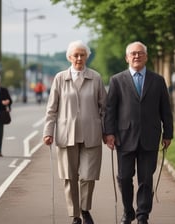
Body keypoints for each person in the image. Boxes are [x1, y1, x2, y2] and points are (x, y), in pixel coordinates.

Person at [104, 41, 173, 224]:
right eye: (133, 53)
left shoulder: (158, 80)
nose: (136, 56)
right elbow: (110, 109)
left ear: (146, 57)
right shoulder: (117, 80)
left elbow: (166, 109)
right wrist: (109, 133)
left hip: (150, 137)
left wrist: (168, 133)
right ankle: (128, 211)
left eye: (140, 53)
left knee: (145, 179)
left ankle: (143, 215)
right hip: (124, 137)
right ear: (127, 57)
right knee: (124, 177)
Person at [43, 40, 107, 224]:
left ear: (87, 56)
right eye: (75, 55)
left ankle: (85, 209)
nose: (79, 58)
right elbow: (51, 108)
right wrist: (48, 131)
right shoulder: (60, 78)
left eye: (82, 54)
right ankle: (75, 215)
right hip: (66, 134)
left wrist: (107, 132)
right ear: (69, 57)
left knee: (88, 176)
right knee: (69, 177)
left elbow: (105, 108)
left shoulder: (95, 77)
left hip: (91, 134)